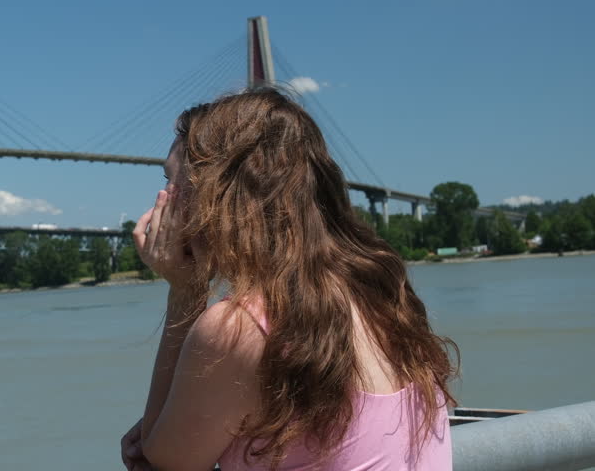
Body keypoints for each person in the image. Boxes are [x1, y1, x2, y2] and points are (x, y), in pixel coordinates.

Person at [120, 87, 459, 471]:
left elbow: (162, 461)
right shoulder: (379, 292)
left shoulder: (240, 328)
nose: (162, 201)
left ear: (218, 193)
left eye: (173, 183)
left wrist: (186, 291)